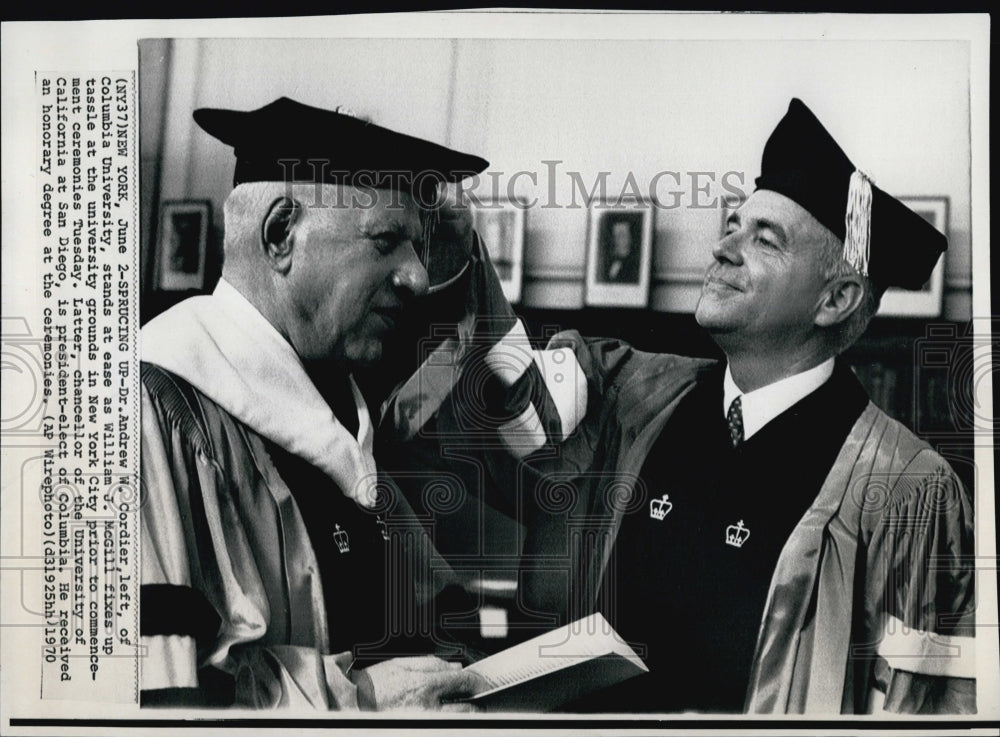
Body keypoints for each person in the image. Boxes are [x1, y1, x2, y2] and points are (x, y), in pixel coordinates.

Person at [378, 99, 976, 714]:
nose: (723, 250)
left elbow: (929, 707)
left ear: (837, 299)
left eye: (764, 240)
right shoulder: (630, 395)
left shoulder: (907, 491)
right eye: (732, 229)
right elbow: (508, 410)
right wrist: (455, 261)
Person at [138, 97, 489, 710]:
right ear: (281, 235)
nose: (416, 278)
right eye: (387, 241)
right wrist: (361, 700)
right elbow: (142, 693)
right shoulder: (151, 409)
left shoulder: (345, 419)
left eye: (420, 249)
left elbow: (437, 625)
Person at [601, 218, 641, 283]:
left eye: (621, 235)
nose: (616, 240)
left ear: (630, 238)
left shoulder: (635, 264)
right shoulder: (607, 262)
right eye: (615, 236)